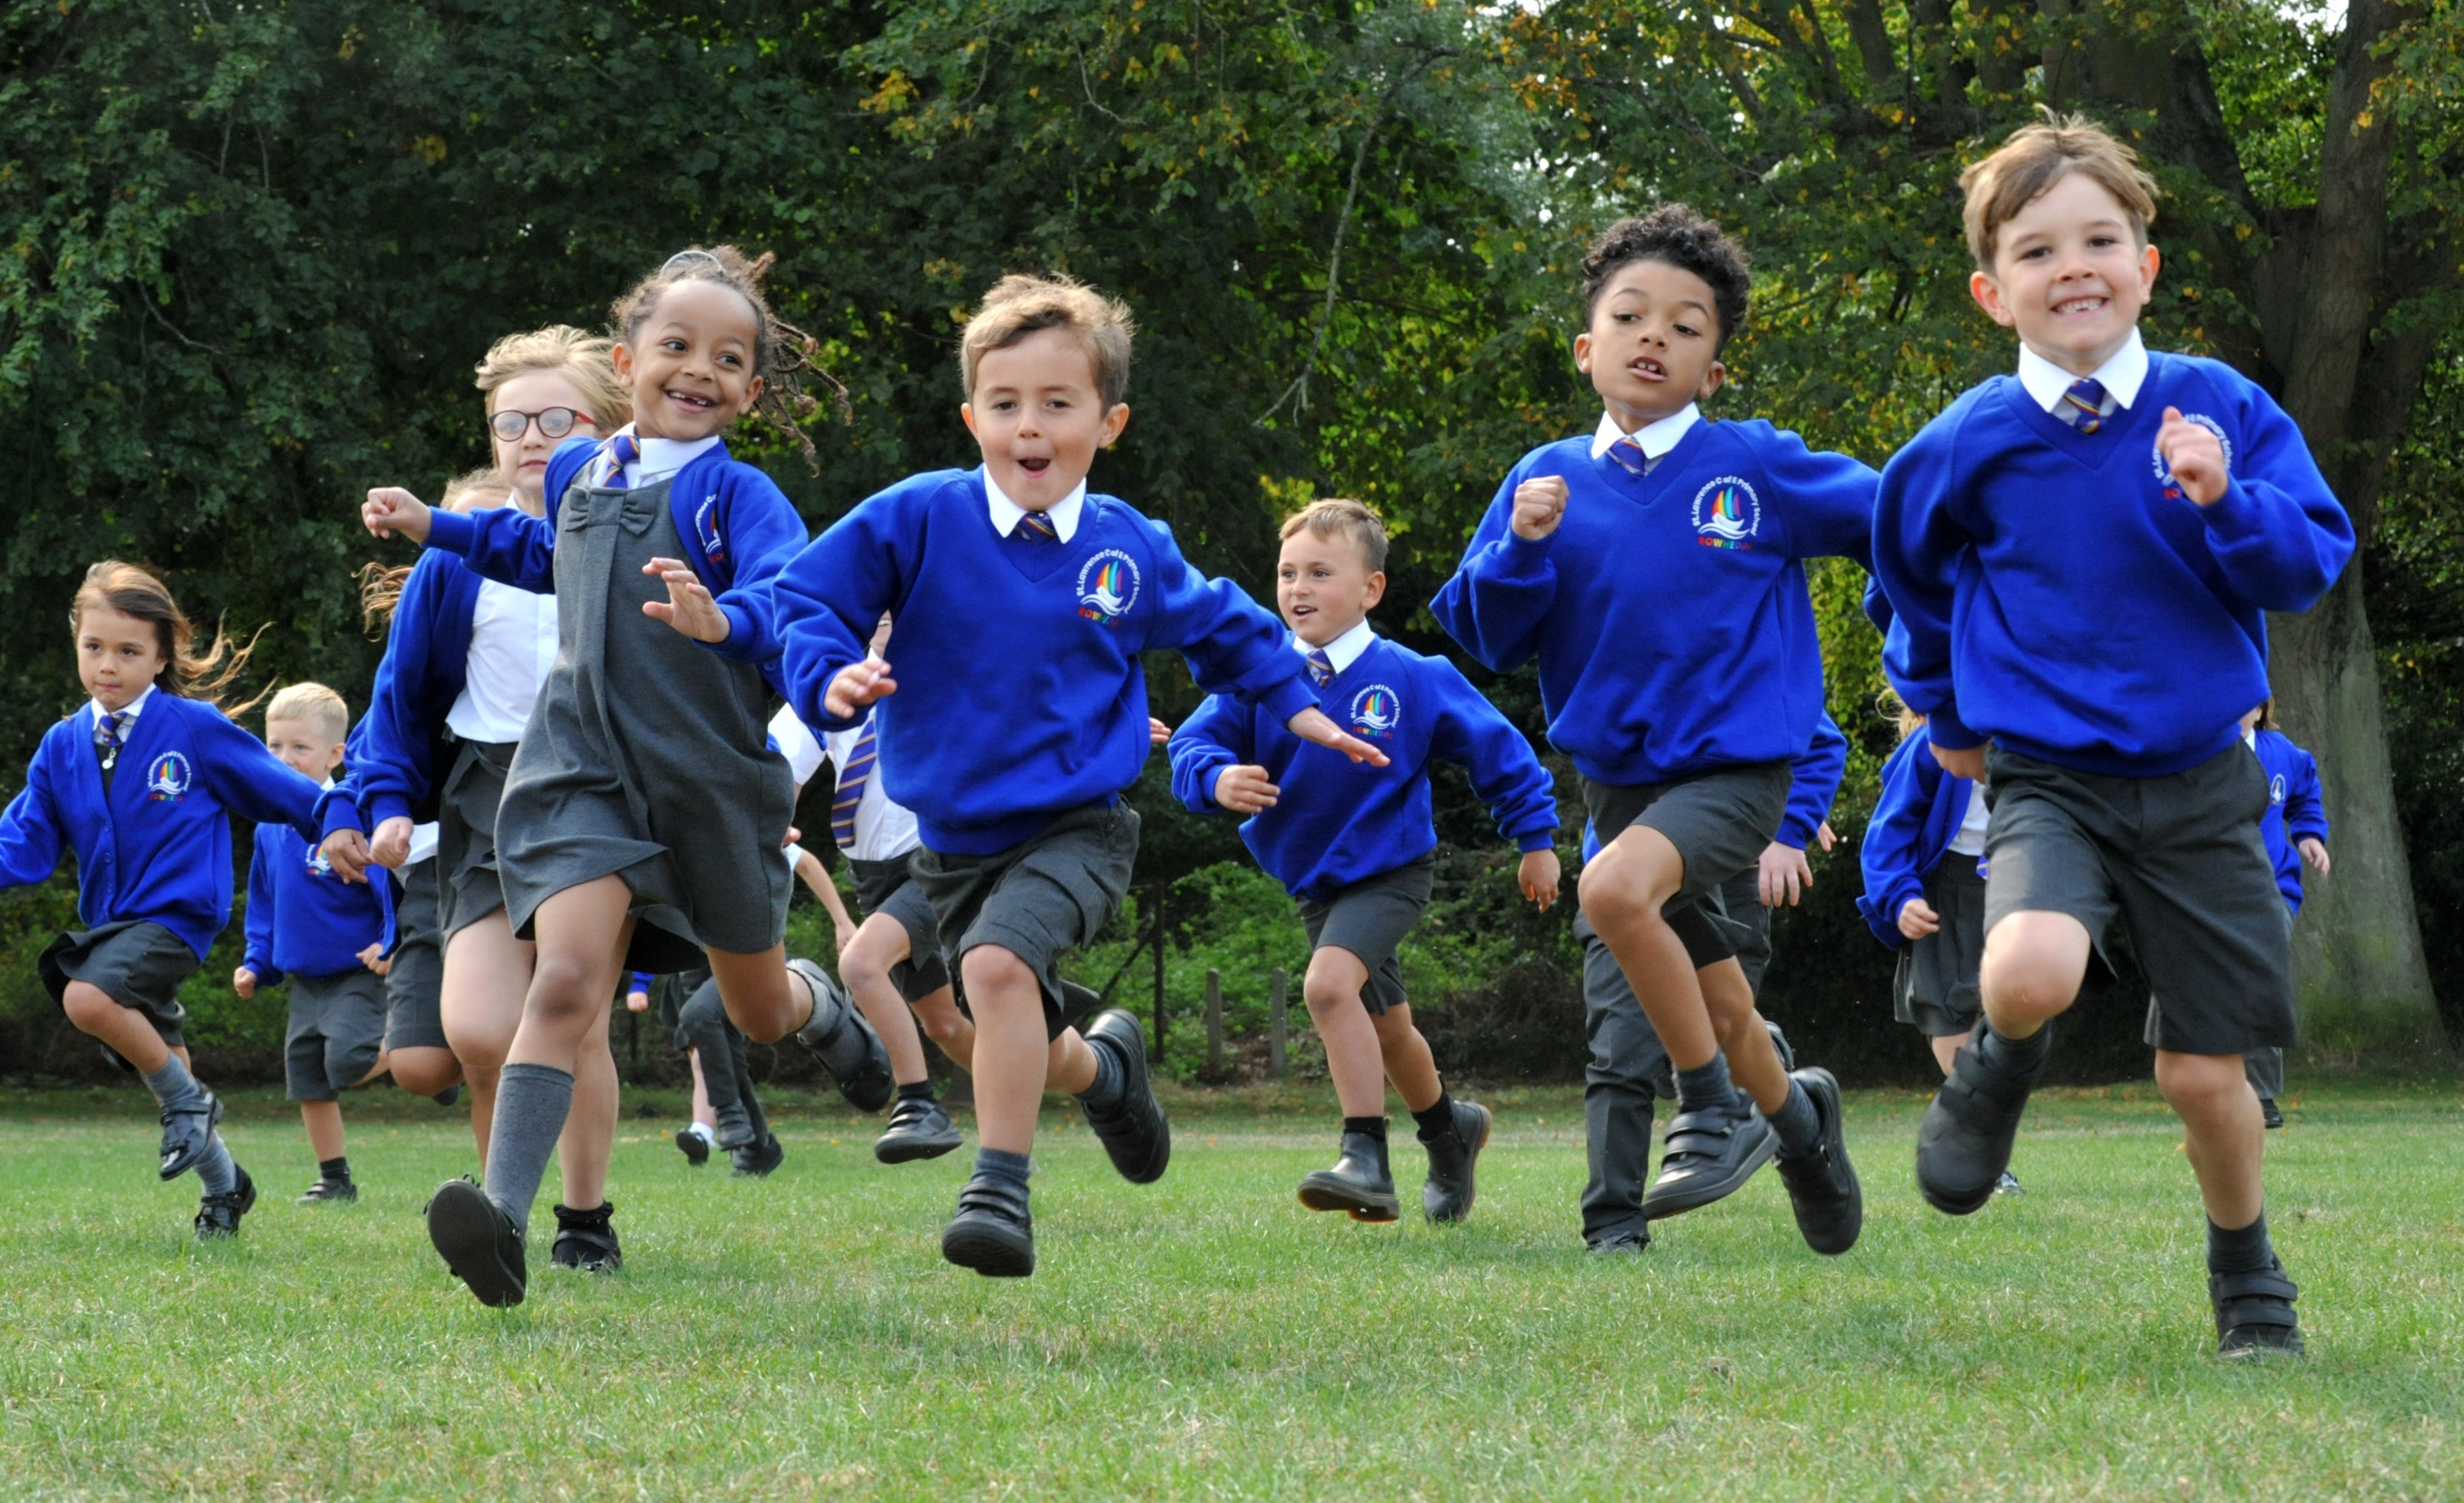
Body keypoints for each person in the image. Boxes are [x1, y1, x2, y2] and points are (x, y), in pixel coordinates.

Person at [773, 273, 1386, 1277]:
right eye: (1005, 403)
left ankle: (998, 1193)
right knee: (1005, 1018)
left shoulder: (1127, 547)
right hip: (952, 845)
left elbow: (1227, 627)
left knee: (993, 971)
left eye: (1058, 404)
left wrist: (1297, 704)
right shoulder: (916, 518)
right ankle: (1104, 1070)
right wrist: (829, 674)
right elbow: (808, 600)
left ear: (1108, 423)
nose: (1030, 426)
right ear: (972, 417)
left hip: (1078, 826)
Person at [1872, 114, 2353, 1356]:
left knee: (2204, 1078)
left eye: (2099, 240)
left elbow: (2308, 561)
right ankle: (1996, 1072)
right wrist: (1945, 715)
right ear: (1993, 292)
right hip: (2050, 776)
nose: (2072, 267)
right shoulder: (1966, 441)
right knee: (2025, 971)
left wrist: (2223, 497)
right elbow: (1908, 583)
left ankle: (2248, 1276)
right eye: (2037, 250)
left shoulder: (2221, 406)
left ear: (2146, 265)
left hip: (2204, 782)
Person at [360, 248, 890, 1306]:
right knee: (563, 982)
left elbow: (789, 600)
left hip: (706, 781)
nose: (700, 370)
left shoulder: (737, 496)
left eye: (728, 359)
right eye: (677, 346)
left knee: (755, 1012)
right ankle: (506, 1219)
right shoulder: (578, 472)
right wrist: (436, 527)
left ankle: (817, 1006)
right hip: (579, 771)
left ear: (751, 391)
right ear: (626, 361)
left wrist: (725, 622)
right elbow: (533, 550)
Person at [1433, 205, 1872, 1256]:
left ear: (1712, 370)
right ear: (1585, 348)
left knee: (1611, 890)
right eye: (1629, 316)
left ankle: (1712, 1108)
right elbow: (1486, 636)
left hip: (1736, 774)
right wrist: (1520, 550)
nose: (1652, 337)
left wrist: (1925, 634)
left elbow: (1897, 518)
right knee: (1719, 1006)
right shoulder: (1544, 480)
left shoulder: (1754, 466)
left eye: (1684, 326)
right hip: (1619, 785)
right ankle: (1800, 1125)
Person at [325, 333, 639, 1278]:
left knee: (575, 1009)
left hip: (600, 791)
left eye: (556, 419)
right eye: (512, 422)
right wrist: (383, 801)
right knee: (474, 1029)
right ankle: (503, 1207)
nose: (531, 437)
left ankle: (581, 1221)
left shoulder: (635, 542)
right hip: (484, 798)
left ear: (608, 429)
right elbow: (398, 699)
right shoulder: (455, 559)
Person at [1170, 499, 1559, 1223]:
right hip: (1316, 883)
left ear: (1370, 589)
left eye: (1320, 572)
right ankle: (1449, 1132)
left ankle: (1365, 1158)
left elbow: (1501, 754)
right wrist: (1216, 778)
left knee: (1326, 989)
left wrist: (1535, 841)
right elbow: (1194, 745)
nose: (1298, 588)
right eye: (1287, 573)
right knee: (1386, 1028)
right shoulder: (1257, 678)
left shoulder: (1413, 676)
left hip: (1390, 872)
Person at [0, 562, 325, 1237]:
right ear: (76, 643)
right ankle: (225, 1188)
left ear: (160, 656)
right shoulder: (61, 746)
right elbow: (23, 844)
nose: (108, 665)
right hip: (114, 927)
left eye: (129, 651)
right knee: (167, 1065)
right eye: (94, 646)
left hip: (177, 919)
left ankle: (192, 1105)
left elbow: (288, 791)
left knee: (86, 998)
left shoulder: (193, 728)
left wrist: (347, 820)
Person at [1576, 713, 1845, 1255]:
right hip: (1621, 886)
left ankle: (1783, 1101)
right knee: (1620, 1051)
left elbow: (1818, 740)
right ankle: (1613, 1223)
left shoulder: (1733, 666)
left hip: (1728, 877)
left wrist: (1789, 830)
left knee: (1722, 1034)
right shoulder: (1609, 673)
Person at [772, 679, 976, 1163]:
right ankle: (1095, 1074)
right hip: (871, 873)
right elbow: (781, 762)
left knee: (861, 964)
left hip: (940, 859)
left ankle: (918, 1104)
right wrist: (773, 818)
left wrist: (1110, 723)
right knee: (944, 1024)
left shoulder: (942, 666)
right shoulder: (828, 676)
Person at [235, 683, 397, 1206]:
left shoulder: (354, 818)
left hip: (356, 971)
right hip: (304, 977)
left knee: (348, 1062)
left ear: (335, 755)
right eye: (275, 746)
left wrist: (389, 940)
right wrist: (257, 962)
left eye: (300, 747)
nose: (284, 758)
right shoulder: (269, 826)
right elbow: (264, 902)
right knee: (308, 1080)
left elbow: (389, 887)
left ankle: (417, 1052)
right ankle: (335, 1179)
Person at [2212, 701, 2329, 1130]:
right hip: (2211, 896)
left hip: (2273, 891)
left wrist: (2309, 833)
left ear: (2261, 710)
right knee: (2216, 989)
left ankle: (2261, 1096)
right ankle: (2216, 1088)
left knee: (2258, 975)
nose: (2234, 701)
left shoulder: (2281, 753)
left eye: (2247, 696)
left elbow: (2305, 787)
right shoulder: (2200, 752)